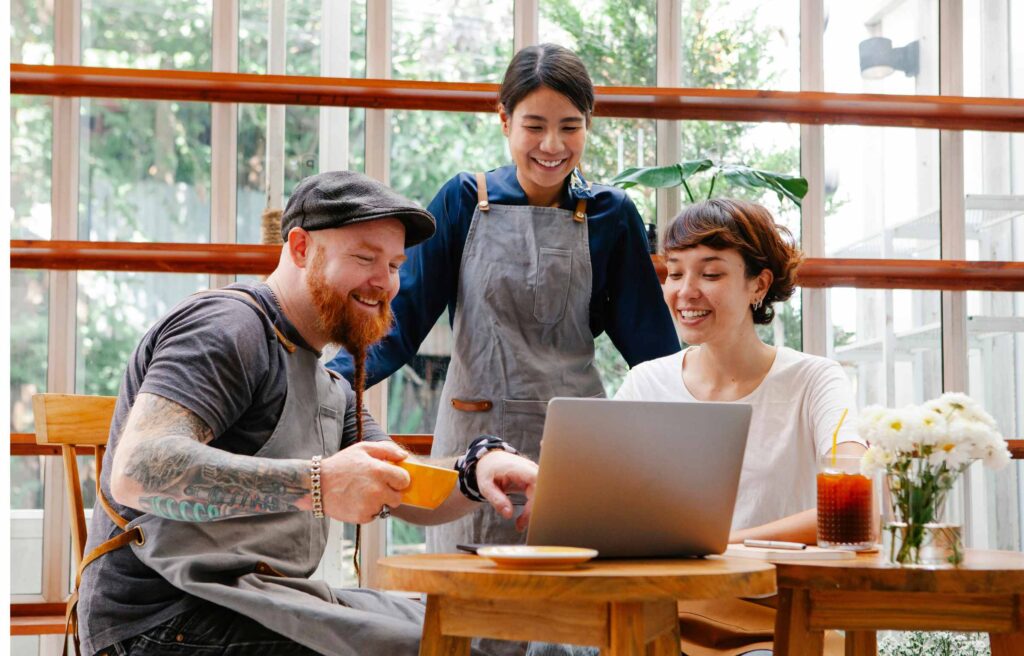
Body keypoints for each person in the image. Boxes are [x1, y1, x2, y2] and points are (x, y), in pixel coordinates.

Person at [77, 171, 538, 656]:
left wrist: (476, 469)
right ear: (300, 248)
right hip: (161, 622)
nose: (385, 283)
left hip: (260, 601)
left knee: (480, 634)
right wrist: (319, 485)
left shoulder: (328, 382)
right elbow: (139, 470)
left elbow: (404, 487)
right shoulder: (228, 328)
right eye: (365, 258)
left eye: (396, 264)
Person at [328, 43, 679, 556]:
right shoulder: (463, 200)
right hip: (473, 447)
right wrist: (328, 381)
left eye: (570, 126)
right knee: (470, 617)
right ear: (504, 121)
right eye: (534, 125)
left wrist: (700, 437)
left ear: (589, 124)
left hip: (576, 447)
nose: (552, 144)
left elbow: (653, 353)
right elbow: (399, 325)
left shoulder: (612, 214)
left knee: (572, 620)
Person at [616, 198, 864, 656]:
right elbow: (606, 506)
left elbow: (858, 501)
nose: (686, 291)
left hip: (782, 619)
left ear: (758, 285)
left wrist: (719, 546)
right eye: (674, 272)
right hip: (660, 617)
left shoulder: (814, 379)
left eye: (710, 274)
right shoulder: (645, 382)